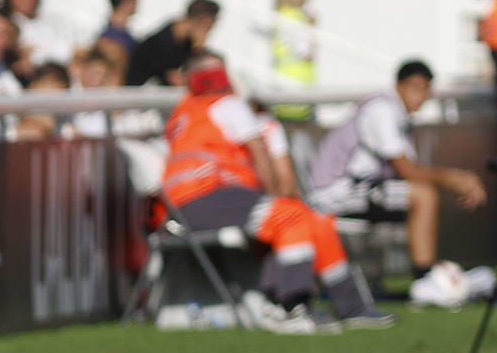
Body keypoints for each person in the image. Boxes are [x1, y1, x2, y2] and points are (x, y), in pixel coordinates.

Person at [163, 51, 390, 331]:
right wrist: (273, 197)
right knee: (291, 215)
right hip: (204, 196)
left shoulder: (183, 112)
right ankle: (289, 307)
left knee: (314, 221)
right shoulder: (227, 105)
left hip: (192, 203)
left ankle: (351, 306)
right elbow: (259, 151)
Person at [308, 59, 487, 300]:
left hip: (357, 188)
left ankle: (426, 277)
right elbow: (405, 170)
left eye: (426, 90)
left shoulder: (398, 115)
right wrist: (453, 180)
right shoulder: (381, 109)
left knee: (422, 191)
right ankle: (424, 282)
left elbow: (409, 171)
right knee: (422, 195)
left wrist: (453, 183)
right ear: (399, 86)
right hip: (333, 192)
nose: (421, 96)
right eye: (416, 87)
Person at [126, 0, 220, 87]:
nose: (208, 32)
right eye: (208, 27)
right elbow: (177, 80)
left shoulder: (185, 42)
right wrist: (198, 51)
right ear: (203, 21)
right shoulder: (163, 43)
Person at [270, 0, 316, 121]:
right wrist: (313, 29)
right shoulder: (296, 19)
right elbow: (306, 52)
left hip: (280, 87)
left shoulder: (279, 15)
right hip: (297, 90)